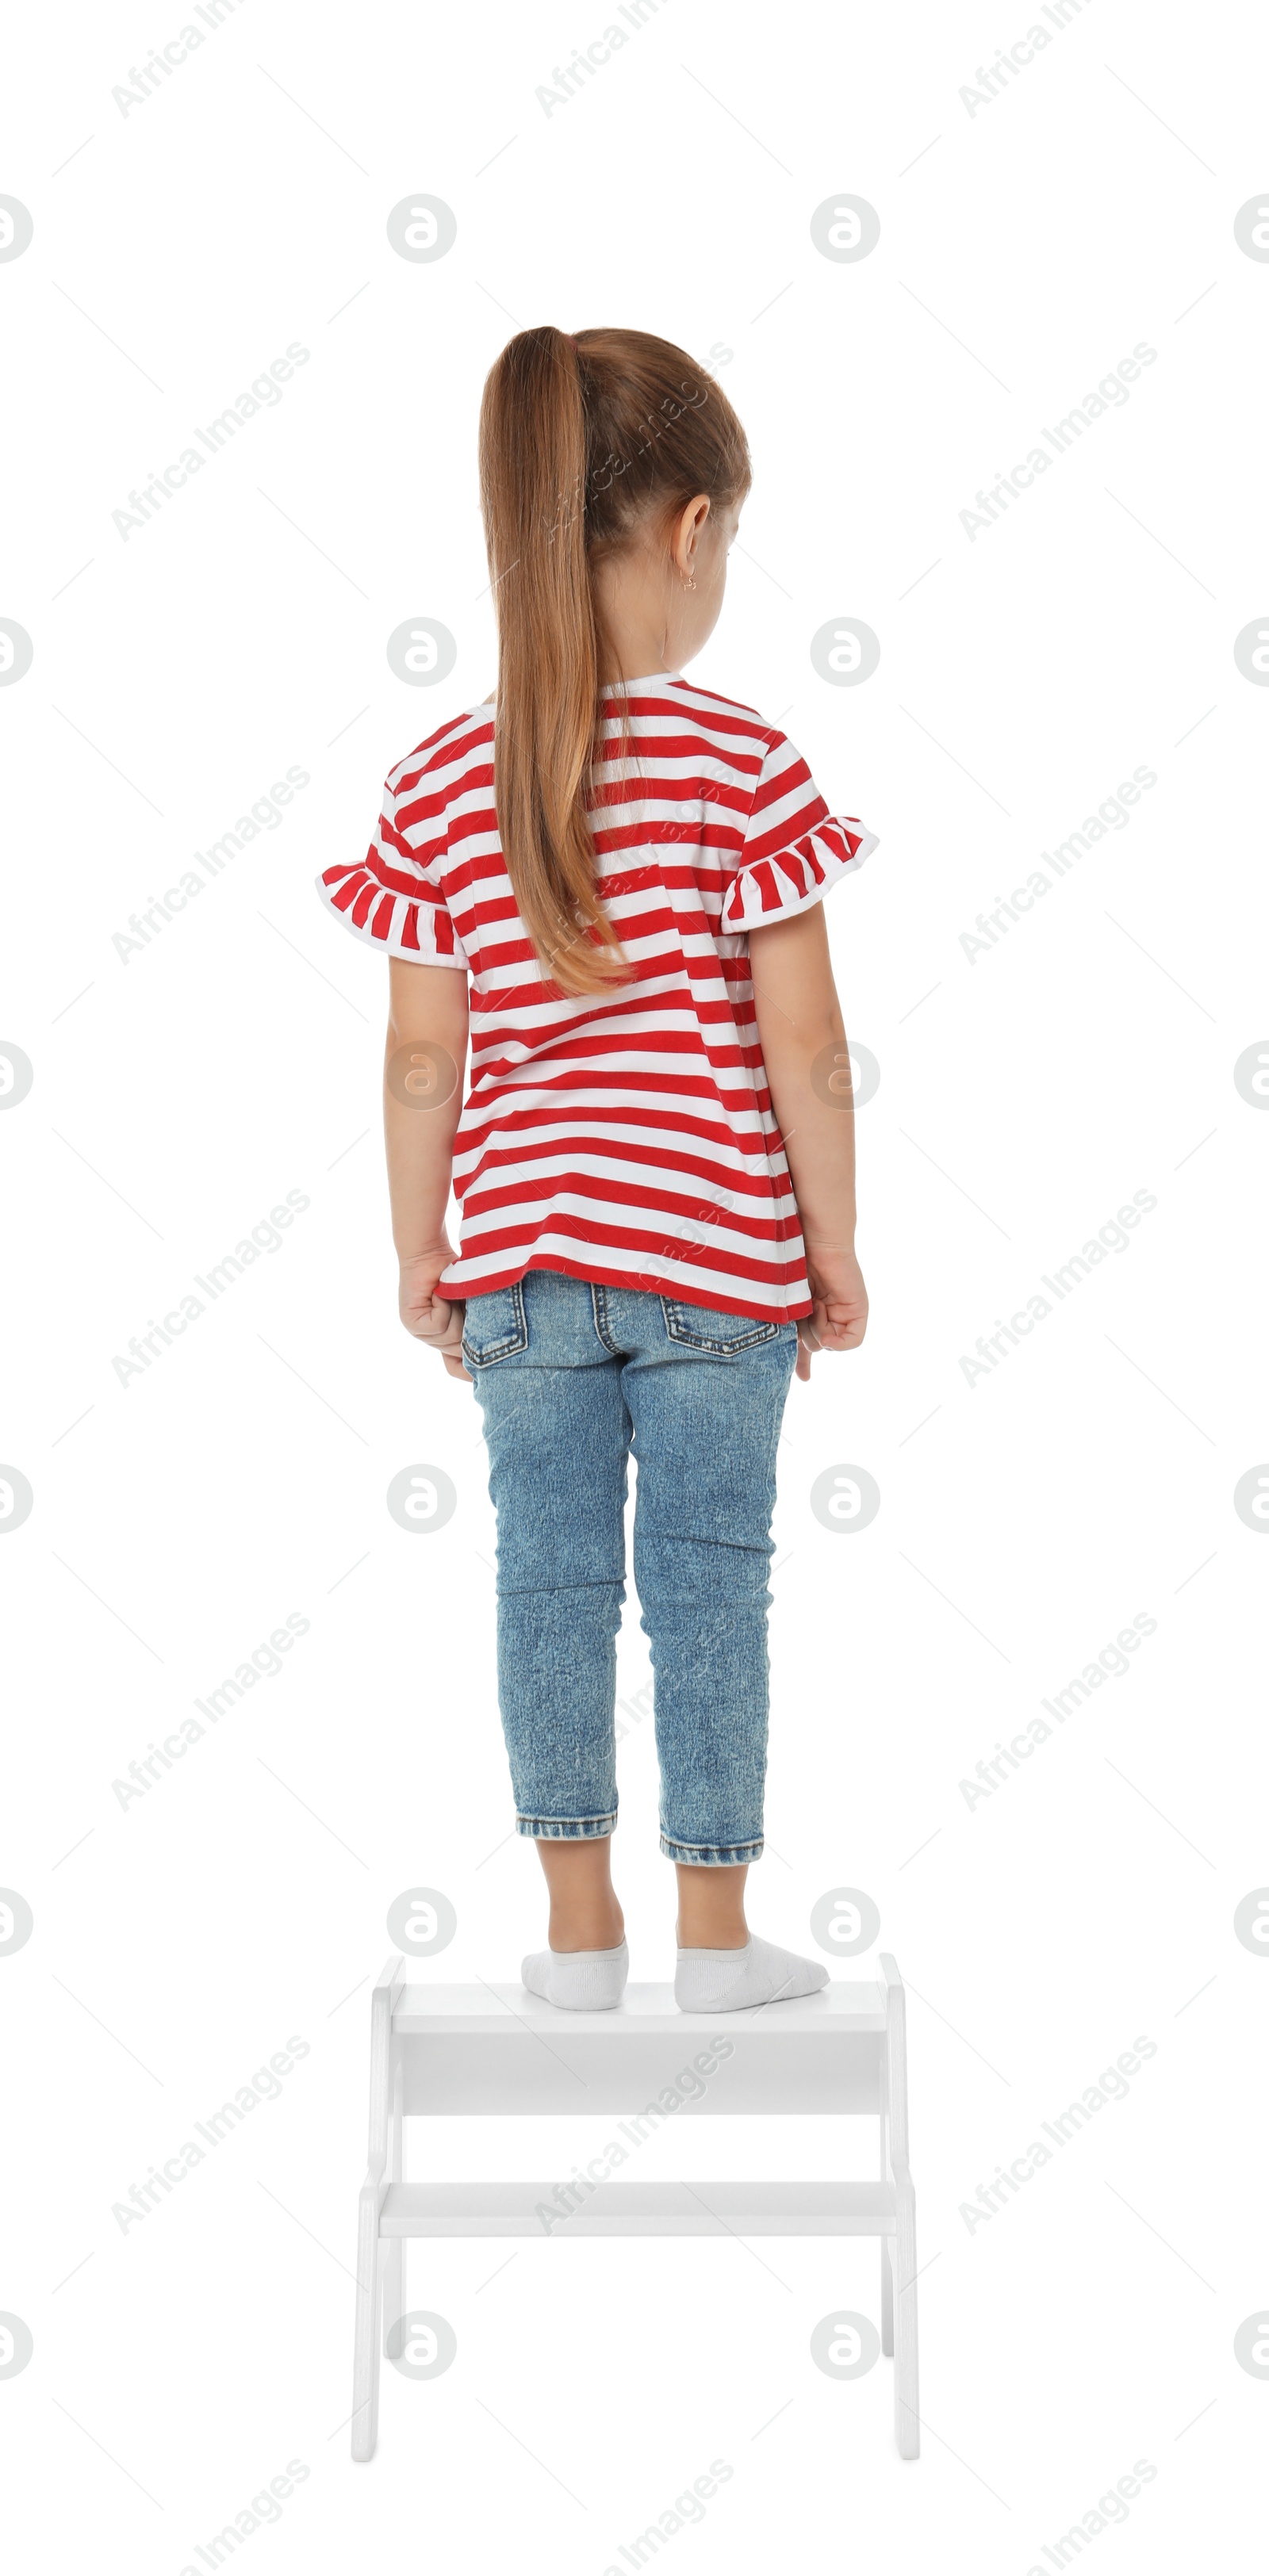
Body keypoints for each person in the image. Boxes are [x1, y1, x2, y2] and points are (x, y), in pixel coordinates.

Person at [316, 326, 876, 2015]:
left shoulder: (439, 782)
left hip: (523, 1277)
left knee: (543, 1580)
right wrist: (831, 1247)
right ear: (689, 529)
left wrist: (425, 1251)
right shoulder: (740, 764)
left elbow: (424, 1059)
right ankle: (713, 1939)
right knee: (710, 1584)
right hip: (715, 1266)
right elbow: (808, 1048)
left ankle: (574, 1933)